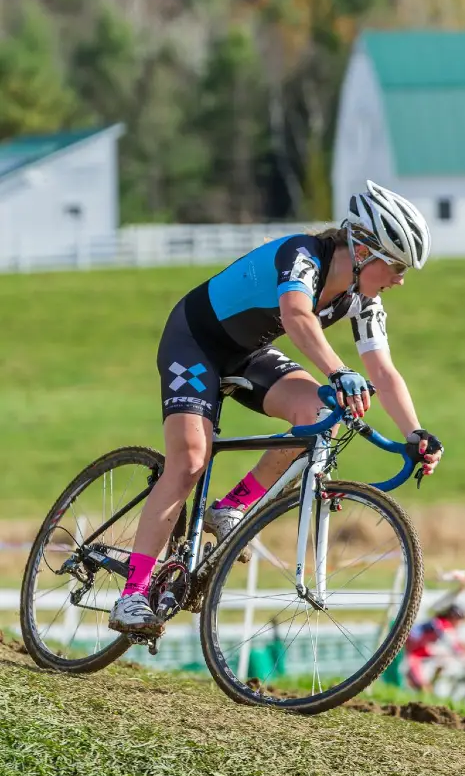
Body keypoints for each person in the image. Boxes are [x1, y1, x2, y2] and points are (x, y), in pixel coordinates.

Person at [109, 180, 444, 636]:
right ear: (364, 250)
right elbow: (296, 315)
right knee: (189, 460)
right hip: (195, 342)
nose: (401, 279)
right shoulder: (303, 255)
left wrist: (415, 433)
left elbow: (383, 371)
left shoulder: (365, 300)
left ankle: (231, 507)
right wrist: (338, 370)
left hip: (249, 350)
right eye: (397, 265)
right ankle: (132, 594)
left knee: (318, 415)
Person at [404, 604, 465, 693]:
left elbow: (459, 643)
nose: (461, 623)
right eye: (460, 619)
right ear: (454, 617)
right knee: (423, 686)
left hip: (418, 651)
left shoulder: (441, 623)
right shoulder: (442, 624)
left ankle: (431, 684)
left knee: (444, 657)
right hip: (413, 654)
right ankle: (427, 686)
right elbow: (455, 647)